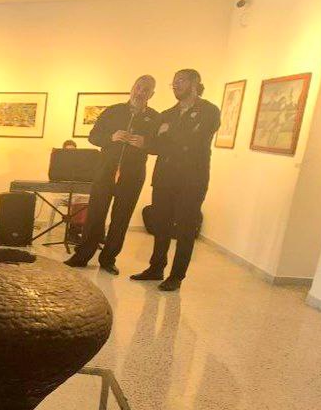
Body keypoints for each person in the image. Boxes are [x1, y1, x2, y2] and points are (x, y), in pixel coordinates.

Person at [131, 69, 220, 292]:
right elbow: (154, 145)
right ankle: (156, 268)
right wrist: (154, 140)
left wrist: (167, 135)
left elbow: (195, 141)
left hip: (192, 179)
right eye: (174, 82)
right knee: (161, 225)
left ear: (194, 83)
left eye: (181, 80)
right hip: (164, 177)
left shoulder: (209, 111)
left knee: (186, 229)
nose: (176, 85)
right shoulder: (167, 114)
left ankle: (176, 276)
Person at [65, 75, 159, 275]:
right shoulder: (113, 111)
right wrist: (111, 137)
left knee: (121, 218)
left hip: (133, 174)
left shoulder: (155, 118)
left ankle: (108, 259)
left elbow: (160, 146)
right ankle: (82, 256)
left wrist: (146, 144)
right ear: (132, 87)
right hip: (105, 170)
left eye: (146, 89)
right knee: (95, 214)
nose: (140, 92)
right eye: (138, 87)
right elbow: (93, 137)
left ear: (152, 94)